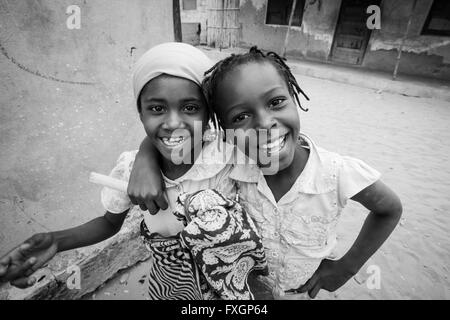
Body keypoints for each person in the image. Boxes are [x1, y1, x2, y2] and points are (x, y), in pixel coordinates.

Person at [127, 46, 403, 299]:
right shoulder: (232, 160)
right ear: (225, 131)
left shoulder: (335, 172)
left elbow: (389, 209)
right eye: (240, 117)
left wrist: (347, 267)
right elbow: (179, 136)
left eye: (276, 102)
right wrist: (145, 158)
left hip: (303, 292)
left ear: (294, 97)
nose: (264, 123)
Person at [0, 43, 268, 300]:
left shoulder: (226, 155)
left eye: (190, 108)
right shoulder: (130, 168)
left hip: (229, 287)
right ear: (140, 113)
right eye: (156, 108)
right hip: (170, 287)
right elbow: (108, 223)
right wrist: (57, 241)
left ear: (209, 115)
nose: (173, 122)